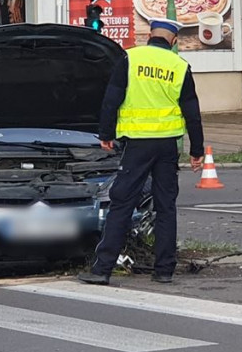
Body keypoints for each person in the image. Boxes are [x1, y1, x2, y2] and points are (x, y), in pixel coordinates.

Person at [78, 18, 205, 286]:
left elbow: (112, 98)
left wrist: (106, 134)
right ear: (173, 41)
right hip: (167, 146)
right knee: (165, 206)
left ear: (149, 35)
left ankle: (102, 269)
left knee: (122, 202)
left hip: (137, 145)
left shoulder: (130, 59)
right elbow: (192, 112)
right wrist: (196, 150)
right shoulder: (179, 66)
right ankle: (164, 270)